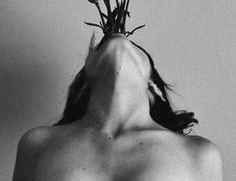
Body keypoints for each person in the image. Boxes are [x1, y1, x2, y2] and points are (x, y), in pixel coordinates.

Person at [12, 34, 223, 180]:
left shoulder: (199, 153)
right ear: (85, 82)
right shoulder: (38, 143)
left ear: (154, 89)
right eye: (100, 46)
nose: (119, 40)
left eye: (135, 48)